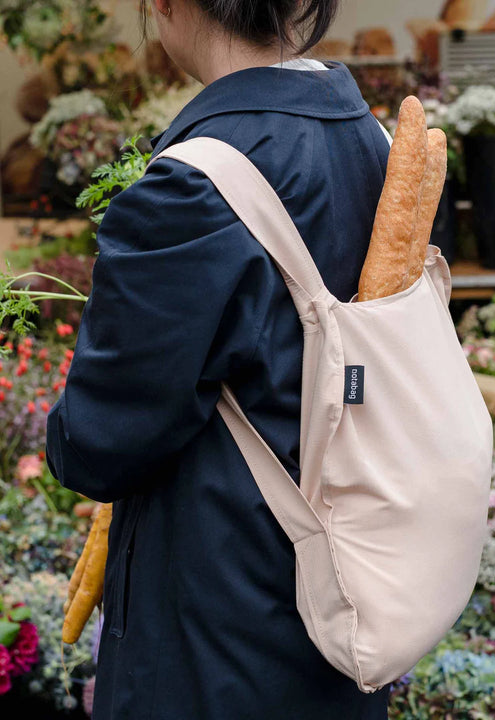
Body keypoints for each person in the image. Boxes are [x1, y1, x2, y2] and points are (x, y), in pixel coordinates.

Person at [45, 1, 392, 718]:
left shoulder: (188, 187)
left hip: (216, 632)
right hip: (346, 597)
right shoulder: (372, 141)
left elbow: (98, 444)